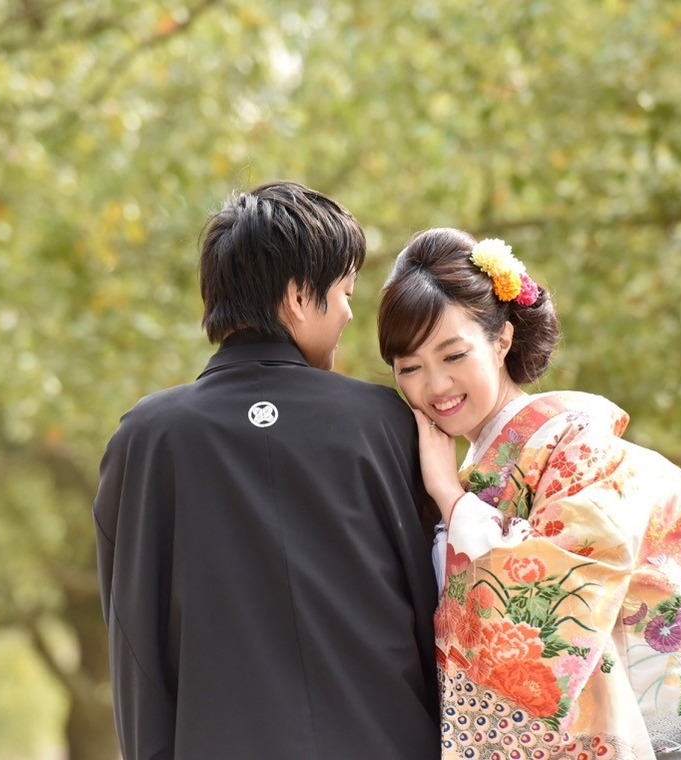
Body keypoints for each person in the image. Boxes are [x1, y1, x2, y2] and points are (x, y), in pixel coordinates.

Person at [376, 228, 681, 759]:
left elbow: (554, 595)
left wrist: (448, 496)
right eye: (410, 368)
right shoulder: (479, 474)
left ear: (502, 339)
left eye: (453, 355)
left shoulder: (576, 447)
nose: (436, 385)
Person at [93, 181, 441, 760]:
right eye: (345, 292)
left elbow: (135, 642)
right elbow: (432, 607)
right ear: (298, 298)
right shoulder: (382, 421)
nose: (351, 314)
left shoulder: (148, 438)